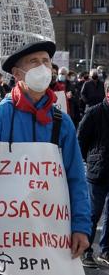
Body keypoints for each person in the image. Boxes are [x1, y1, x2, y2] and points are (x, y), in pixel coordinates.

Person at [0, 41, 90, 275]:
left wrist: (81, 227)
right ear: (17, 74)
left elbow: (76, 178)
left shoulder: (62, 122)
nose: (43, 67)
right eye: (34, 62)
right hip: (10, 241)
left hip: (53, 238)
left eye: (46, 61)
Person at [77, 80, 109, 267]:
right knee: (92, 214)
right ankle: (85, 251)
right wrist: (92, 160)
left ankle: (106, 251)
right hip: (98, 171)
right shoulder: (94, 112)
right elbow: (80, 141)